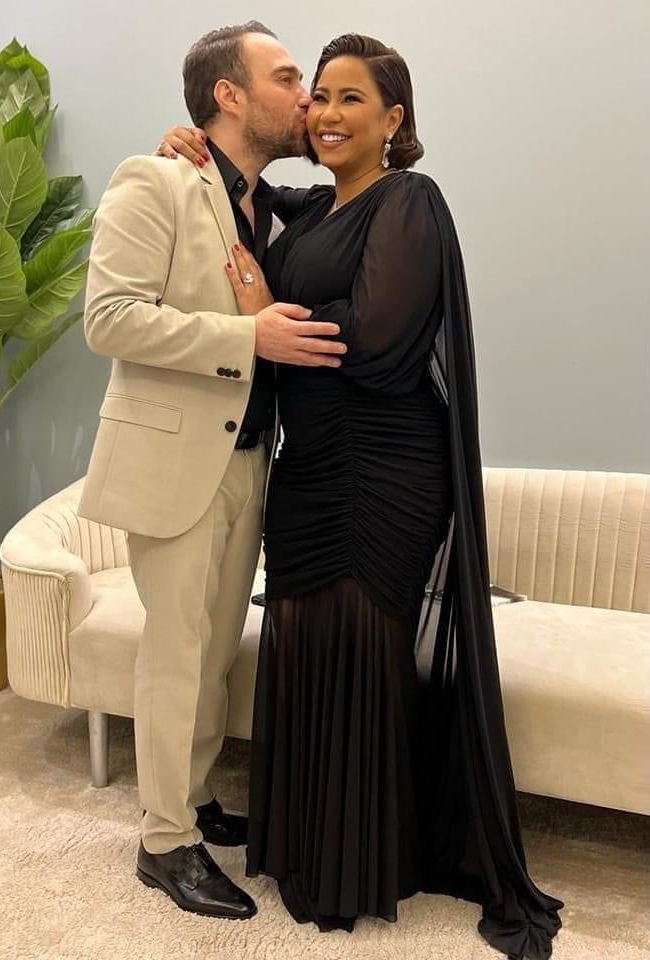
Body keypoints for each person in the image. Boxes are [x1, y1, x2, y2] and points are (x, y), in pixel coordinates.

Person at [157, 32, 565, 958]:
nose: (327, 112)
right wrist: (186, 142)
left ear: (394, 118)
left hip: (386, 468)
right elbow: (234, 192)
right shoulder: (307, 210)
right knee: (303, 641)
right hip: (306, 469)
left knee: (363, 644)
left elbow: (379, 343)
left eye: (352, 98)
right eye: (319, 94)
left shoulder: (410, 200)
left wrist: (268, 314)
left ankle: (358, 866)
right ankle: (305, 850)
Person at [77, 22, 348, 922]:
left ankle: (187, 801)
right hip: (172, 463)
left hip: (248, 461)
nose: (305, 96)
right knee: (177, 654)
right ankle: (163, 844)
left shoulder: (270, 204)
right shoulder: (153, 179)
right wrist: (246, 336)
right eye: (288, 78)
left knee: (216, 652)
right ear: (228, 95)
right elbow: (109, 318)